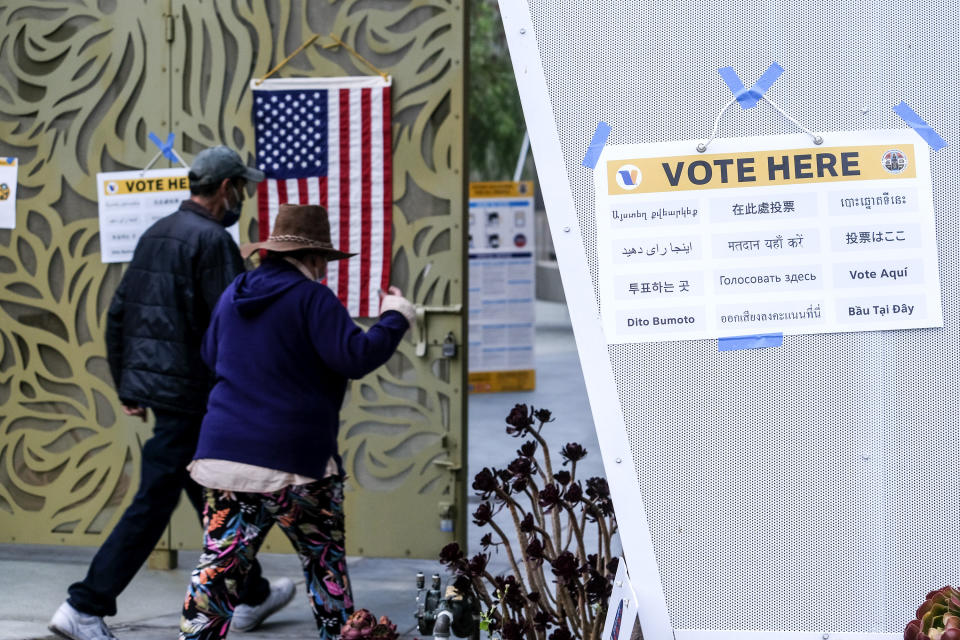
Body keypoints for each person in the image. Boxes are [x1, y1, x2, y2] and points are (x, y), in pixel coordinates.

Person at [49, 147, 295, 640]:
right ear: (227, 188)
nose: (242, 196)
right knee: (156, 502)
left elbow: (119, 313)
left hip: (166, 395)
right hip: (195, 398)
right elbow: (235, 323)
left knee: (213, 500)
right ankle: (84, 605)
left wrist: (129, 385)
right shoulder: (213, 242)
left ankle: (250, 595)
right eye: (242, 187)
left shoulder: (156, 234)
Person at [178, 203, 416, 640]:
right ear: (312, 257)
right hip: (298, 465)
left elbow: (211, 357)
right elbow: (355, 357)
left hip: (226, 461)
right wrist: (395, 316)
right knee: (324, 567)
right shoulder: (312, 298)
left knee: (217, 572)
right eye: (323, 259)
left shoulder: (233, 293)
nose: (324, 268)